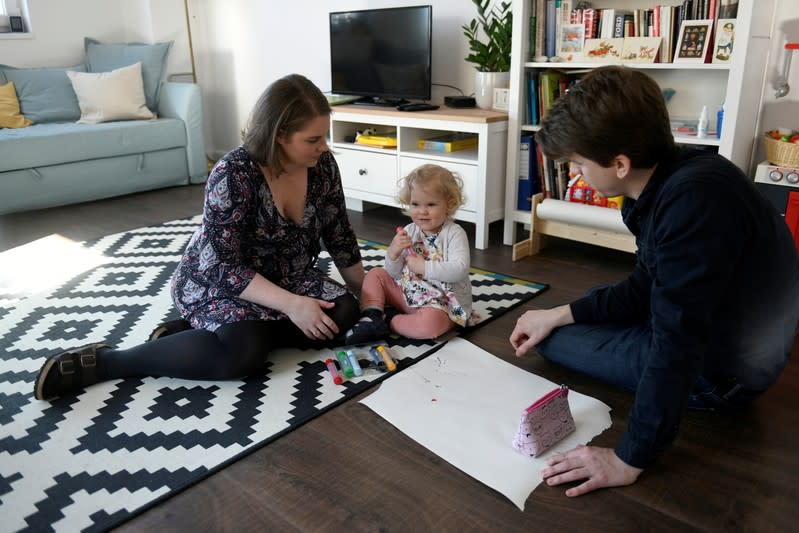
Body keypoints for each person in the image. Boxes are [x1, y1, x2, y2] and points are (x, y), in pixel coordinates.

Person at [509, 66, 799, 497]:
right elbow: (648, 284)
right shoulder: (680, 173)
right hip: (724, 327)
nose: (576, 174)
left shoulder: (691, 204)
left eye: (579, 164)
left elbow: (678, 339)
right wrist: (558, 311)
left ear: (620, 164)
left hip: (723, 375)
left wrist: (630, 457)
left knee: (556, 341)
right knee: (572, 313)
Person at [34, 74, 365, 401]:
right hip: (221, 280)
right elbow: (223, 266)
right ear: (279, 135)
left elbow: (338, 232)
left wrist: (369, 296)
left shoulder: (322, 166)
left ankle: (197, 336)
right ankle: (110, 362)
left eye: (324, 136)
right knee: (242, 355)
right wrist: (293, 306)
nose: (324, 146)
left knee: (344, 312)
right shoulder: (233, 173)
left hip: (287, 274)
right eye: (313, 139)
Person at [344, 164, 473, 344]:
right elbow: (394, 274)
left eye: (431, 204)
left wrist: (425, 267)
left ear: (449, 205)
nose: (422, 211)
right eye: (415, 204)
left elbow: (459, 269)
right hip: (408, 293)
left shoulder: (454, 233)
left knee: (431, 326)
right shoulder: (410, 231)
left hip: (442, 304)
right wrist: (393, 253)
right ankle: (372, 316)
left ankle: (389, 321)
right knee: (375, 275)